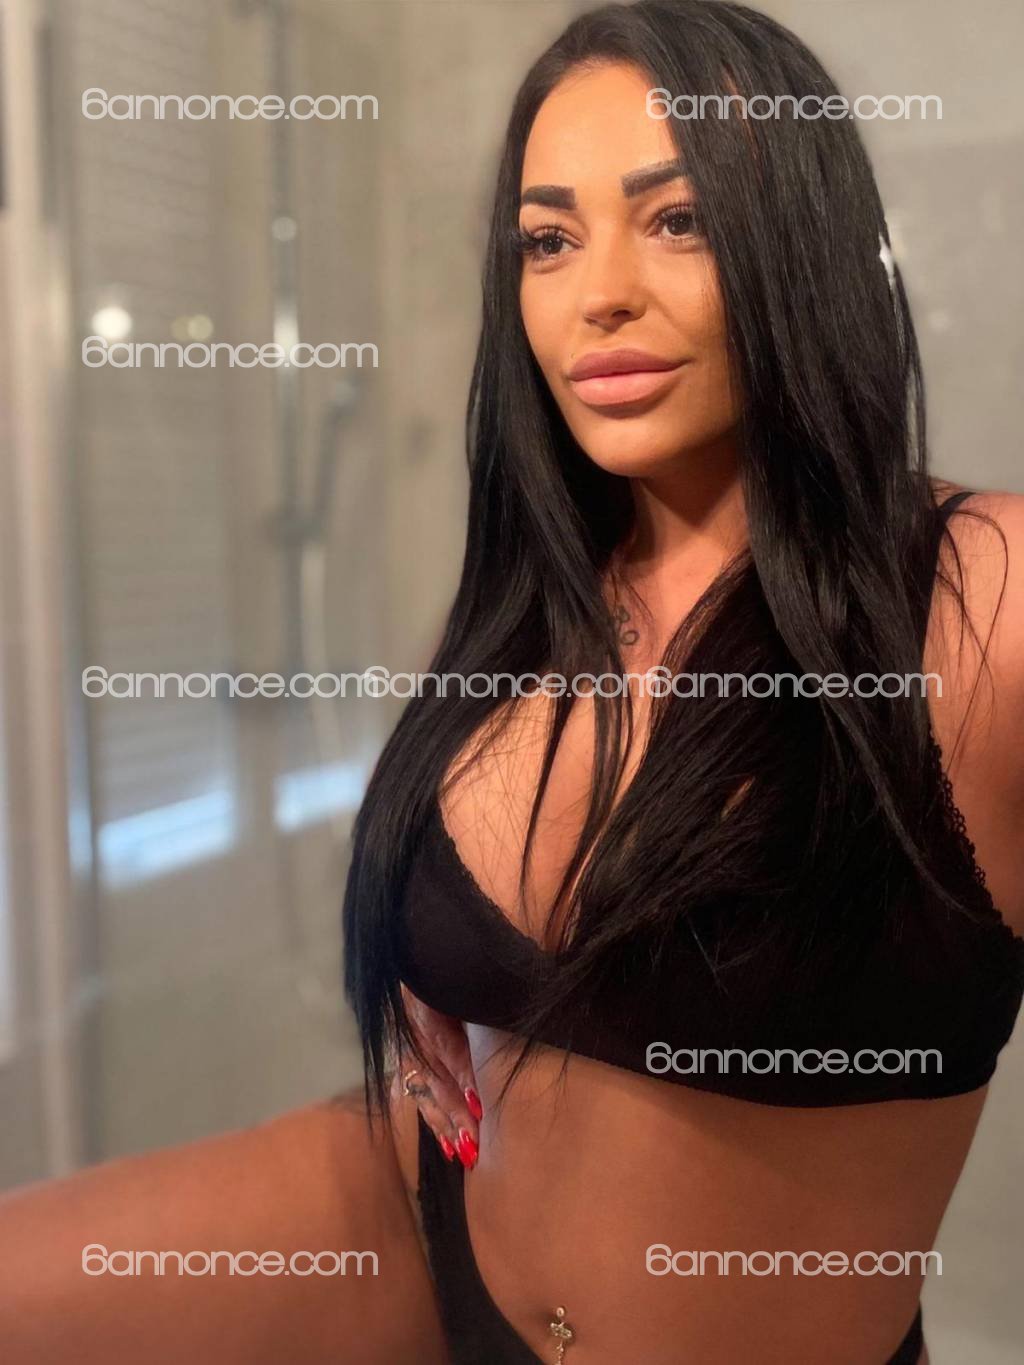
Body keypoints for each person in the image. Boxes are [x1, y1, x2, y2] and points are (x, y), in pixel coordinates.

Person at [1, 4, 1021, 1363]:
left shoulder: (982, 591)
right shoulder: (538, 600)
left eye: (676, 220)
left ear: (801, 239)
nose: (599, 293)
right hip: (422, 1225)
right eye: (548, 240)